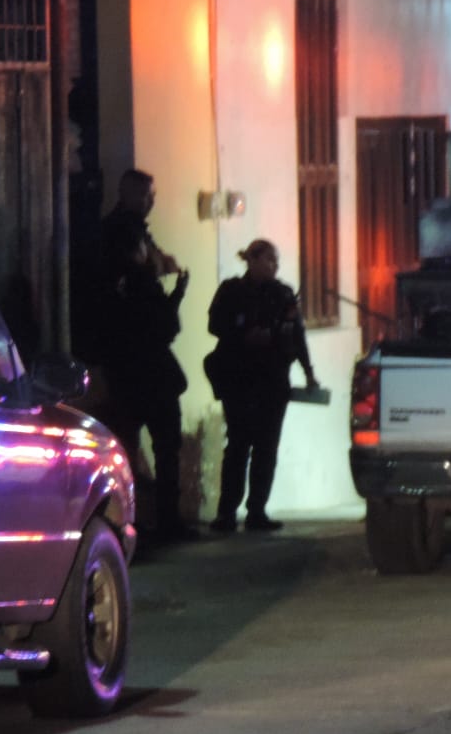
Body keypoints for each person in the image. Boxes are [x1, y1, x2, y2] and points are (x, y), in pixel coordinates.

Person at [98, 168, 193, 545]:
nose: (151, 201)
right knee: (151, 445)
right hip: (140, 365)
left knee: (152, 445)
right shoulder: (120, 239)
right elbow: (159, 318)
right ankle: (153, 523)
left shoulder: (130, 236)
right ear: (130, 194)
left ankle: (153, 522)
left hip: (134, 363)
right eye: (147, 195)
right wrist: (170, 285)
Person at [206, 239, 317, 533]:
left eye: (275, 260)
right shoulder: (232, 291)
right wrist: (244, 334)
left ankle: (257, 510)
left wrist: (308, 371)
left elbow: (297, 334)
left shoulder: (282, 294)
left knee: (266, 447)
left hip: (273, 379)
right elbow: (215, 325)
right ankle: (227, 512)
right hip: (239, 378)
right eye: (269, 259)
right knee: (238, 445)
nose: (274, 266)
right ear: (252, 261)